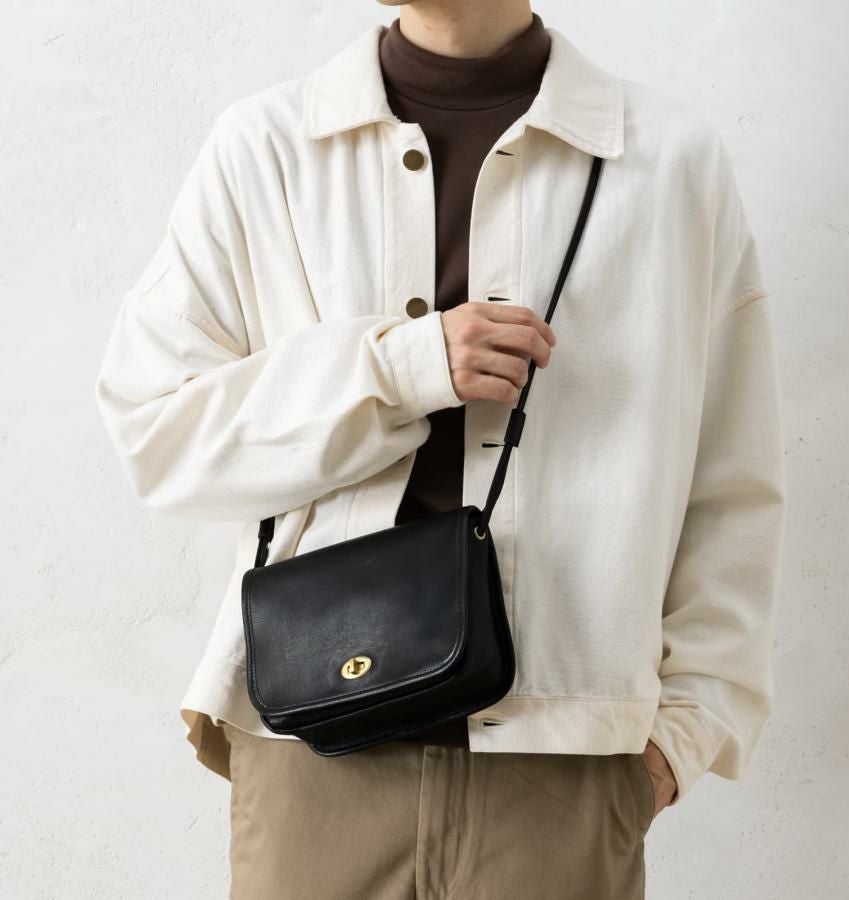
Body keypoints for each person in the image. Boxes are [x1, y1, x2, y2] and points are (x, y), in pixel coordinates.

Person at [94, 1, 787, 897]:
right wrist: (401, 368)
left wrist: (681, 737)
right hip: (313, 755)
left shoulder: (666, 160)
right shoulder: (267, 148)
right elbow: (156, 427)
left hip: (564, 769)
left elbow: (732, 479)